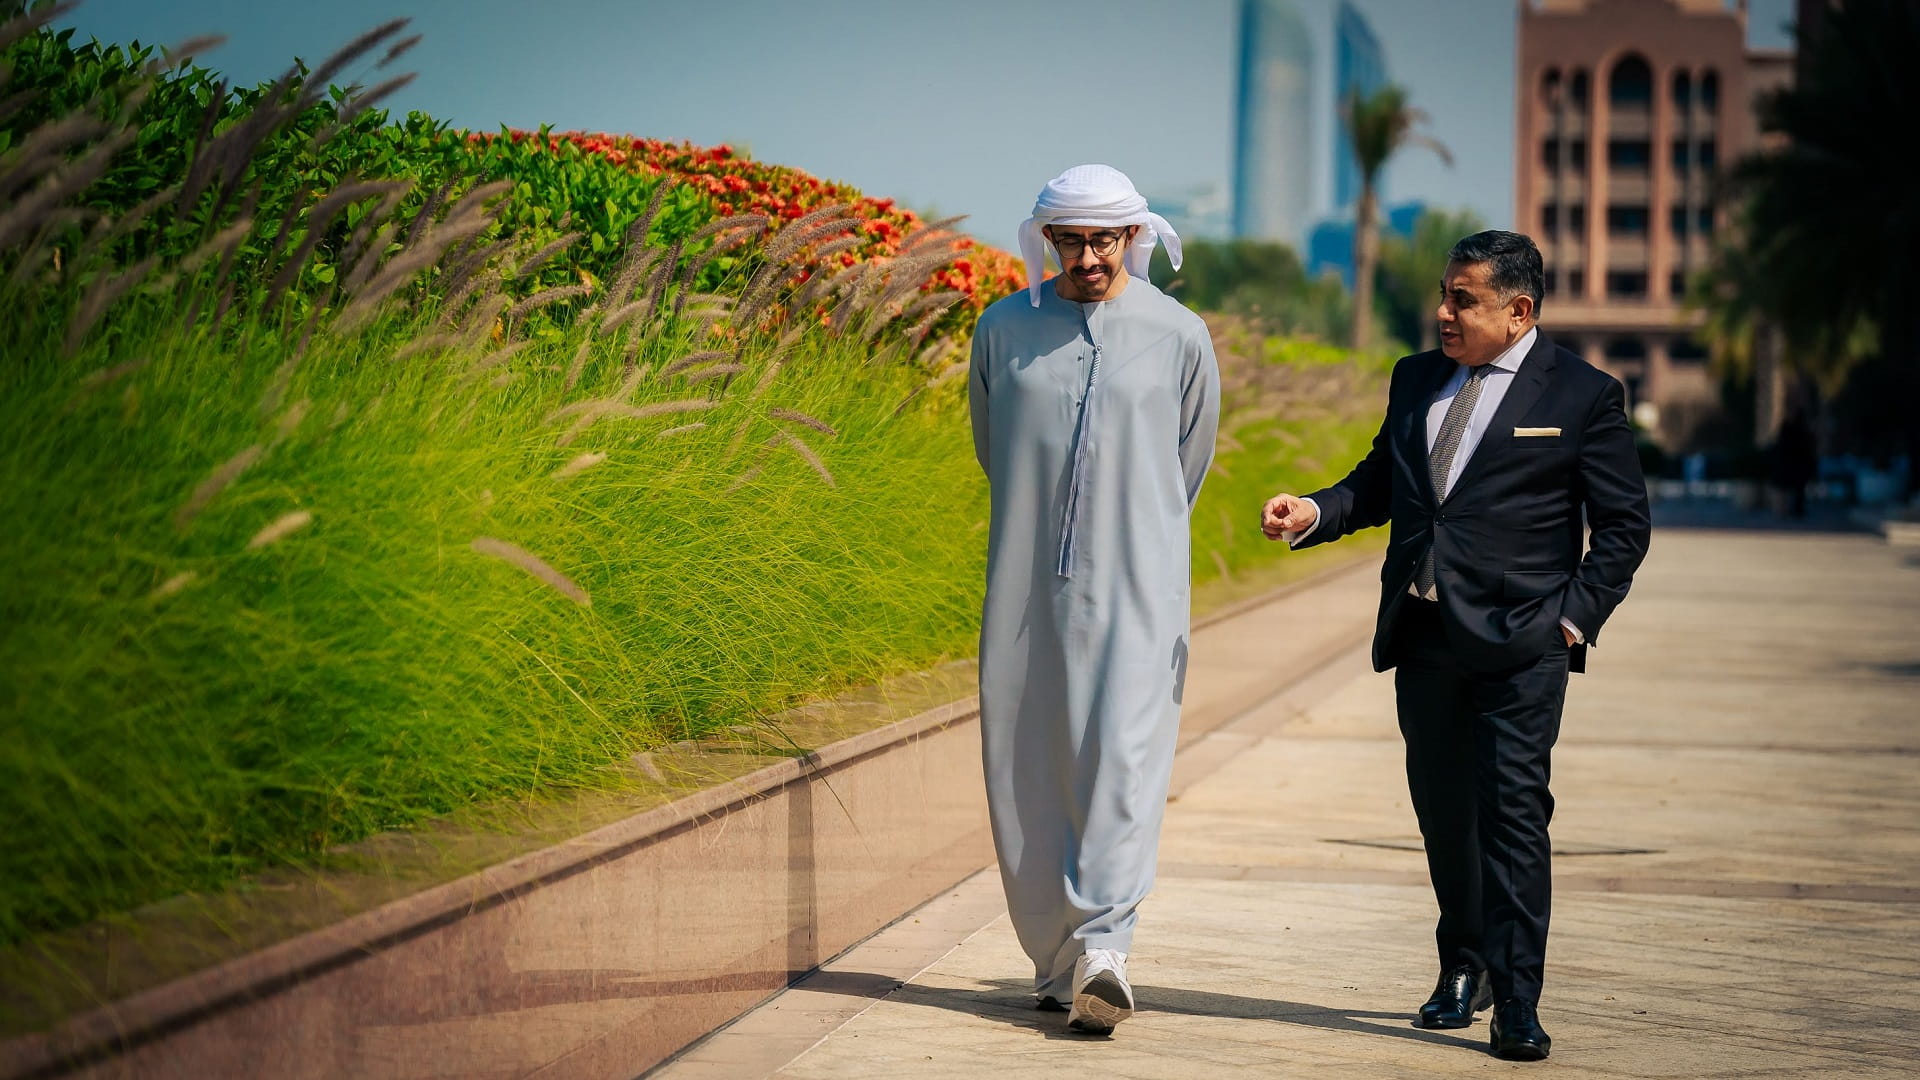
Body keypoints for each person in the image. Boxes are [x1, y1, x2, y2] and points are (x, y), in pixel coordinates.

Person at [1259, 231, 1650, 1061]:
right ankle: (1462, 965)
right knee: (1445, 816)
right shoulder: (1416, 378)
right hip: (1426, 633)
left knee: (1513, 817)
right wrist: (1315, 511)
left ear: (1519, 312)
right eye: (1444, 293)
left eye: (1462, 300)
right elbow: (1378, 483)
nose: (1443, 312)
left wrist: (1570, 622)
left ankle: (1518, 1000)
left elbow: (1623, 526)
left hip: (1524, 645)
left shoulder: (1584, 394)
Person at [967, 164, 1220, 1035]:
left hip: (1141, 588)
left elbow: (1187, 464)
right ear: (1048, 240)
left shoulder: (1180, 334)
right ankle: (1056, 961)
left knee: (1123, 761)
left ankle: (1107, 948)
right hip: (1026, 589)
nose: (1087, 259)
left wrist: (1134, 537)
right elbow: (995, 450)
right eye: (1070, 241)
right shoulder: (1002, 330)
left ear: (1132, 237)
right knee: (1027, 769)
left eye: (1103, 240)